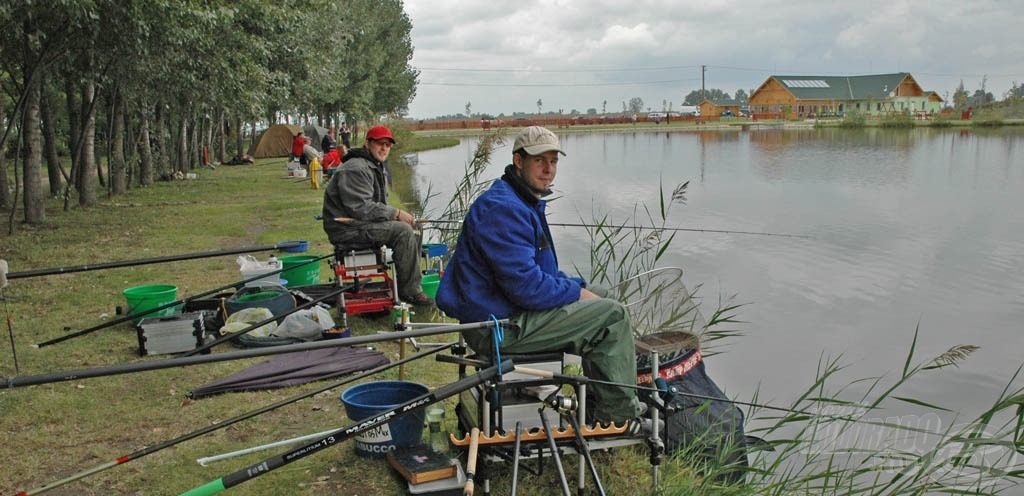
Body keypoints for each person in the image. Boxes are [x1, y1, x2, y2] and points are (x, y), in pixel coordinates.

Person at [436, 126, 643, 427]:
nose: (548, 170)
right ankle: (619, 419)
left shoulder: (521, 200)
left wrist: (580, 287)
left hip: (504, 312)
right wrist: (578, 294)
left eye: (554, 161)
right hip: (497, 327)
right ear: (518, 161)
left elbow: (541, 272)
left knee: (604, 295)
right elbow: (528, 288)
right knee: (611, 315)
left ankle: (601, 400)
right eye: (539, 161)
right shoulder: (504, 209)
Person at [322, 125, 433, 307]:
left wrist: (396, 215)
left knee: (415, 227)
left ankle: (409, 280)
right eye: (380, 143)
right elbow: (360, 208)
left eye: (388, 145)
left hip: (358, 224)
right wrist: (395, 213)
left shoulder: (372, 165)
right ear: (367, 143)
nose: (384, 148)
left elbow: (372, 206)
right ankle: (410, 292)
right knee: (403, 231)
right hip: (346, 229)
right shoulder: (356, 168)